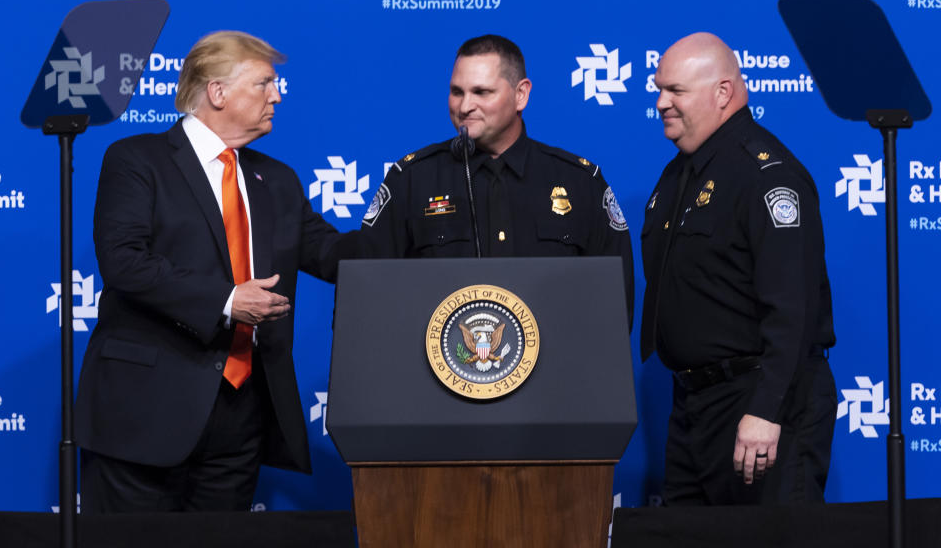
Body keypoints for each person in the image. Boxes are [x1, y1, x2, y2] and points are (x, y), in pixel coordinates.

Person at [75, 31, 350, 512]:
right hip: (144, 414)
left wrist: (416, 223)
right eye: (265, 83)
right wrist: (227, 301)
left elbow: (330, 253)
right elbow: (123, 261)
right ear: (218, 92)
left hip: (239, 419)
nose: (278, 95)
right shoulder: (138, 159)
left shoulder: (277, 179)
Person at [641, 32, 836, 505]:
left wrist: (765, 411)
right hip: (692, 408)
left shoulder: (766, 175)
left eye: (675, 91)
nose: (661, 102)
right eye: (659, 89)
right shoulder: (677, 174)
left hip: (759, 407)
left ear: (722, 93)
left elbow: (793, 308)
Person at [358, 34, 634, 324]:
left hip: (559, 367)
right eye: (456, 92)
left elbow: (614, 307)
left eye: (481, 92)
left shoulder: (580, 182)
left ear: (521, 95)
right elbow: (366, 292)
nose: (464, 107)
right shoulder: (412, 180)